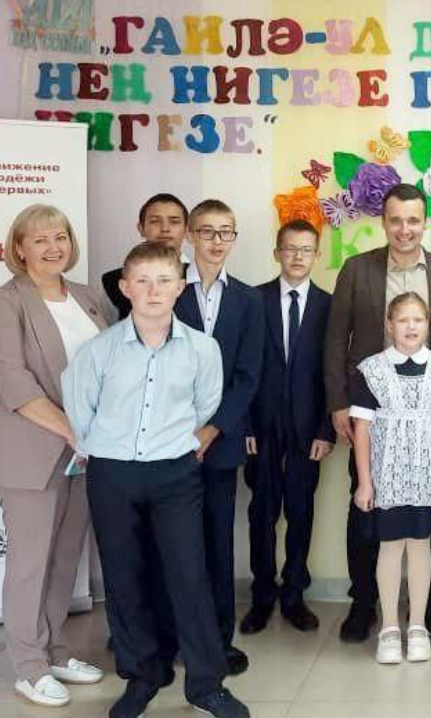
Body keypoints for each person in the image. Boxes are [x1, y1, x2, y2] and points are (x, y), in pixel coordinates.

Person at [63, 242, 247, 718]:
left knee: (189, 575)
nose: (153, 291)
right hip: (112, 473)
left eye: (164, 281)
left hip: (175, 473)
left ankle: (206, 684)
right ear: (125, 288)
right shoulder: (98, 351)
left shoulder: (202, 349)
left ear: (180, 288)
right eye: (142, 281)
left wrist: (172, 443)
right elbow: (80, 412)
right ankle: (142, 676)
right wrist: (114, 447)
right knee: (124, 578)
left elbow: (206, 405)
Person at [0, 204, 112, 708]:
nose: (53, 247)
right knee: (30, 562)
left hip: (83, 452)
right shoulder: (5, 302)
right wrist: (74, 431)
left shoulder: (86, 297)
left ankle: (55, 649)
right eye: (40, 240)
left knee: (64, 558)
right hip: (32, 450)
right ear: (19, 248)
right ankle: (28, 666)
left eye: (60, 237)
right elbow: (14, 382)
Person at [324, 183, 431, 643]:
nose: (405, 229)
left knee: (430, 506)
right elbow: (336, 339)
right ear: (383, 222)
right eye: (396, 220)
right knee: (365, 502)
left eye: (413, 220)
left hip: (426, 415)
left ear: (425, 223)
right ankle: (363, 602)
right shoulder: (358, 268)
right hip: (372, 412)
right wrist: (338, 403)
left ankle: (429, 605)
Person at [171, 200, 265, 676]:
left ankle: (218, 641)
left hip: (220, 441)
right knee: (174, 544)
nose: (216, 241)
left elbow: (248, 377)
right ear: (189, 235)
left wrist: (212, 429)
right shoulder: (167, 287)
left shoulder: (248, 300)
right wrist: (184, 427)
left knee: (217, 542)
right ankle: (175, 638)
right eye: (206, 231)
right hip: (169, 440)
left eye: (225, 232)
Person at [350, 292, 431, 665]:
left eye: (418, 319)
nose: (411, 327)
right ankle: (389, 628)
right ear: (389, 325)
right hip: (387, 476)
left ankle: (417, 626)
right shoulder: (371, 370)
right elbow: (362, 430)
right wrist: (365, 482)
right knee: (390, 546)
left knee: (421, 546)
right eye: (402, 320)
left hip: (427, 475)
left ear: (428, 324)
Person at [241, 219, 333, 635]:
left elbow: (332, 372)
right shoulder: (252, 300)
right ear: (277, 253)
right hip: (260, 427)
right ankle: (262, 595)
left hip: (307, 428)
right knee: (262, 511)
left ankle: (294, 593)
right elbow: (240, 367)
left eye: (306, 249)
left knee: (300, 510)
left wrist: (325, 430)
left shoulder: (329, 306)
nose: (297, 256)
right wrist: (244, 424)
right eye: (290, 248)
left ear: (317, 255)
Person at [100, 193, 189, 319]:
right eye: (155, 221)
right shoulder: (113, 282)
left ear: (186, 230)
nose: (165, 228)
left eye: (174, 222)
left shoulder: (201, 279)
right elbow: (108, 328)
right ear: (141, 228)